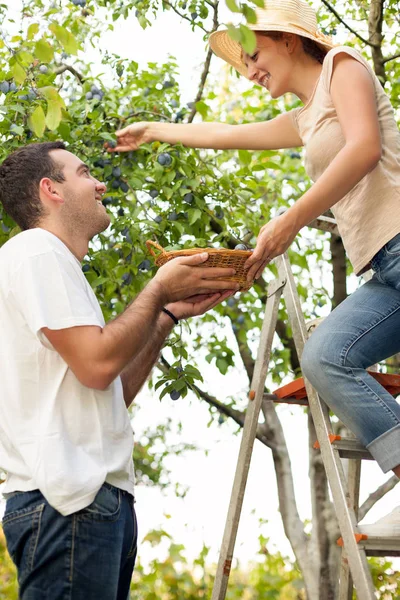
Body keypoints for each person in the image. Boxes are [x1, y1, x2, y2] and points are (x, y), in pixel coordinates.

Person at [110, 0, 400, 536]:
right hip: (385, 270)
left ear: (289, 40)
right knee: (325, 357)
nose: (249, 70)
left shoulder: (344, 67)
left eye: (254, 53)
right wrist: (155, 130)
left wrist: (289, 221)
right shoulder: (306, 116)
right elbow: (226, 133)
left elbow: (363, 149)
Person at [0, 141, 239, 599]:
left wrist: (165, 314)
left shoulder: (54, 266)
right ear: (51, 190)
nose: (101, 183)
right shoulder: (36, 252)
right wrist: (156, 290)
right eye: (86, 173)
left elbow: (108, 385)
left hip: (90, 506)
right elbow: (97, 364)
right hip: (66, 506)